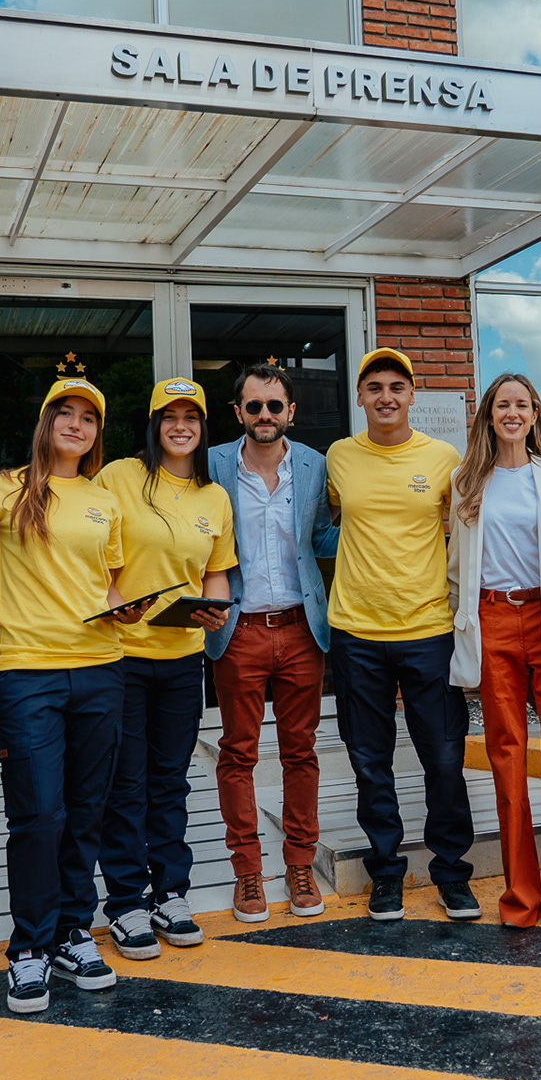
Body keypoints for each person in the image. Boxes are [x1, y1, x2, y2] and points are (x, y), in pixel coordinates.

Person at [0, 374, 151, 1013]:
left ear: (96, 433)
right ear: (46, 422)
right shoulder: (2, 490)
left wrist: (128, 608)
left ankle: (71, 931)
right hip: (26, 670)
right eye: (66, 412)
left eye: (88, 417)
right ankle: (28, 945)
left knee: (87, 810)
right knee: (38, 813)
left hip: (102, 665)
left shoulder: (103, 500)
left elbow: (106, 583)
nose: (76, 424)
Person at [447, 374, 541, 932]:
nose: (512, 413)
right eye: (502, 405)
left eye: (522, 405)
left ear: (535, 414)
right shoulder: (466, 480)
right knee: (507, 757)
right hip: (492, 621)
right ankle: (520, 898)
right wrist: (464, 634)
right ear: (489, 415)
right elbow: (456, 570)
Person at [327, 347, 477, 922]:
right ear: (360, 397)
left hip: (428, 629)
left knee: (443, 758)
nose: (386, 397)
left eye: (396, 386)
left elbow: (465, 534)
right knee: (370, 761)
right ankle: (386, 873)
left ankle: (451, 873)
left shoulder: (443, 458)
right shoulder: (340, 457)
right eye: (375, 387)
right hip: (356, 631)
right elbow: (329, 518)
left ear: (412, 395)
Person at [95, 379, 237, 959]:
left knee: (170, 781)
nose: (181, 426)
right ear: (154, 424)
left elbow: (216, 571)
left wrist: (215, 610)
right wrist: (114, 603)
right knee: (125, 783)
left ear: (203, 427)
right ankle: (126, 902)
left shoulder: (213, 497)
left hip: (181, 661)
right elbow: (94, 556)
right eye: (170, 416)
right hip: (123, 656)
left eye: (191, 417)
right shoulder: (120, 477)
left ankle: (170, 893)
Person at [206, 364, 339, 924]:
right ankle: (248, 873)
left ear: (291, 412)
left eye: (275, 405)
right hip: (239, 630)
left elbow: (323, 537)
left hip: (301, 628)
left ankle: (300, 865)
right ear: (238, 412)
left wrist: (380, 522)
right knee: (238, 754)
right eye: (254, 405)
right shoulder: (212, 463)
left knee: (300, 753)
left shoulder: (313, 464)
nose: (265, 414)